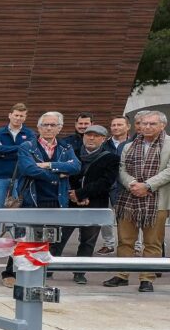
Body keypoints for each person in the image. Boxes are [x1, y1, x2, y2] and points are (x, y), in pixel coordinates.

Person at [0, 111, 81, 287]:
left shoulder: (66, 148)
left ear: (59, 128)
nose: (49, 128)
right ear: (38, 127)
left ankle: (36, 275)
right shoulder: (27, 146)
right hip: (31, 200)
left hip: (57, 201)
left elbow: (75, 166)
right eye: (45, 125)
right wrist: (58, 174)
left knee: (48, 241)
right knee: (23, 239)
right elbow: (29, 169)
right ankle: (9, 272)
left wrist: (50, 165)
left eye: (53, 125)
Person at [103, 110, 170, 292]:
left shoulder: (169, 144)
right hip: (128, 199)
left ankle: (147, 278)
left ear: (162, 125)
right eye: (144, 123)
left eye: (152, 124)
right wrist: (132, 183)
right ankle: (121, 275)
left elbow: (169, 171)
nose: (147, 127)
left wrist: (147, 186)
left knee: (152, 243)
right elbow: (122, 169)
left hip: (157, 201)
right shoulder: (129, 146)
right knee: (125, 241)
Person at [51, 125, 119, 284]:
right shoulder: (72, 154)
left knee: (88, 241)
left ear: (103, 139)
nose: (91, 138)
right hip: (70, 203)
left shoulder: (111, 158)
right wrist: (73, 194)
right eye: (88, 135)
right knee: (59, 238)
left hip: (95, 204)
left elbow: (106, 182)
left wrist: (82, 194)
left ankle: (79, 272)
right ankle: (49, 268)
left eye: (96, 136)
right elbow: (65, 176)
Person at [0, 103, 35, 238]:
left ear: (25, 118)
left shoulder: (30, 133)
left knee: (17, 208)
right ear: (10, 115)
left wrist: (6, 151)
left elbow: (30, 150)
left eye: (21, 116)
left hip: (20, 176)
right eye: (16, 115)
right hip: (0, 175)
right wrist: (20, 148)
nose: (18, 118)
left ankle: (18, 237)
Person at [97, 115, 133, 255]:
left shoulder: (134, 144)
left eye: (120, 125)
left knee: (129, 218)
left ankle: (134, 245)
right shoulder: (104, 145)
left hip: (126, 186)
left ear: (128, 127)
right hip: (106, 186)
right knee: (105, 217)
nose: (116, 127)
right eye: (113, 125)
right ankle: (108, 244)